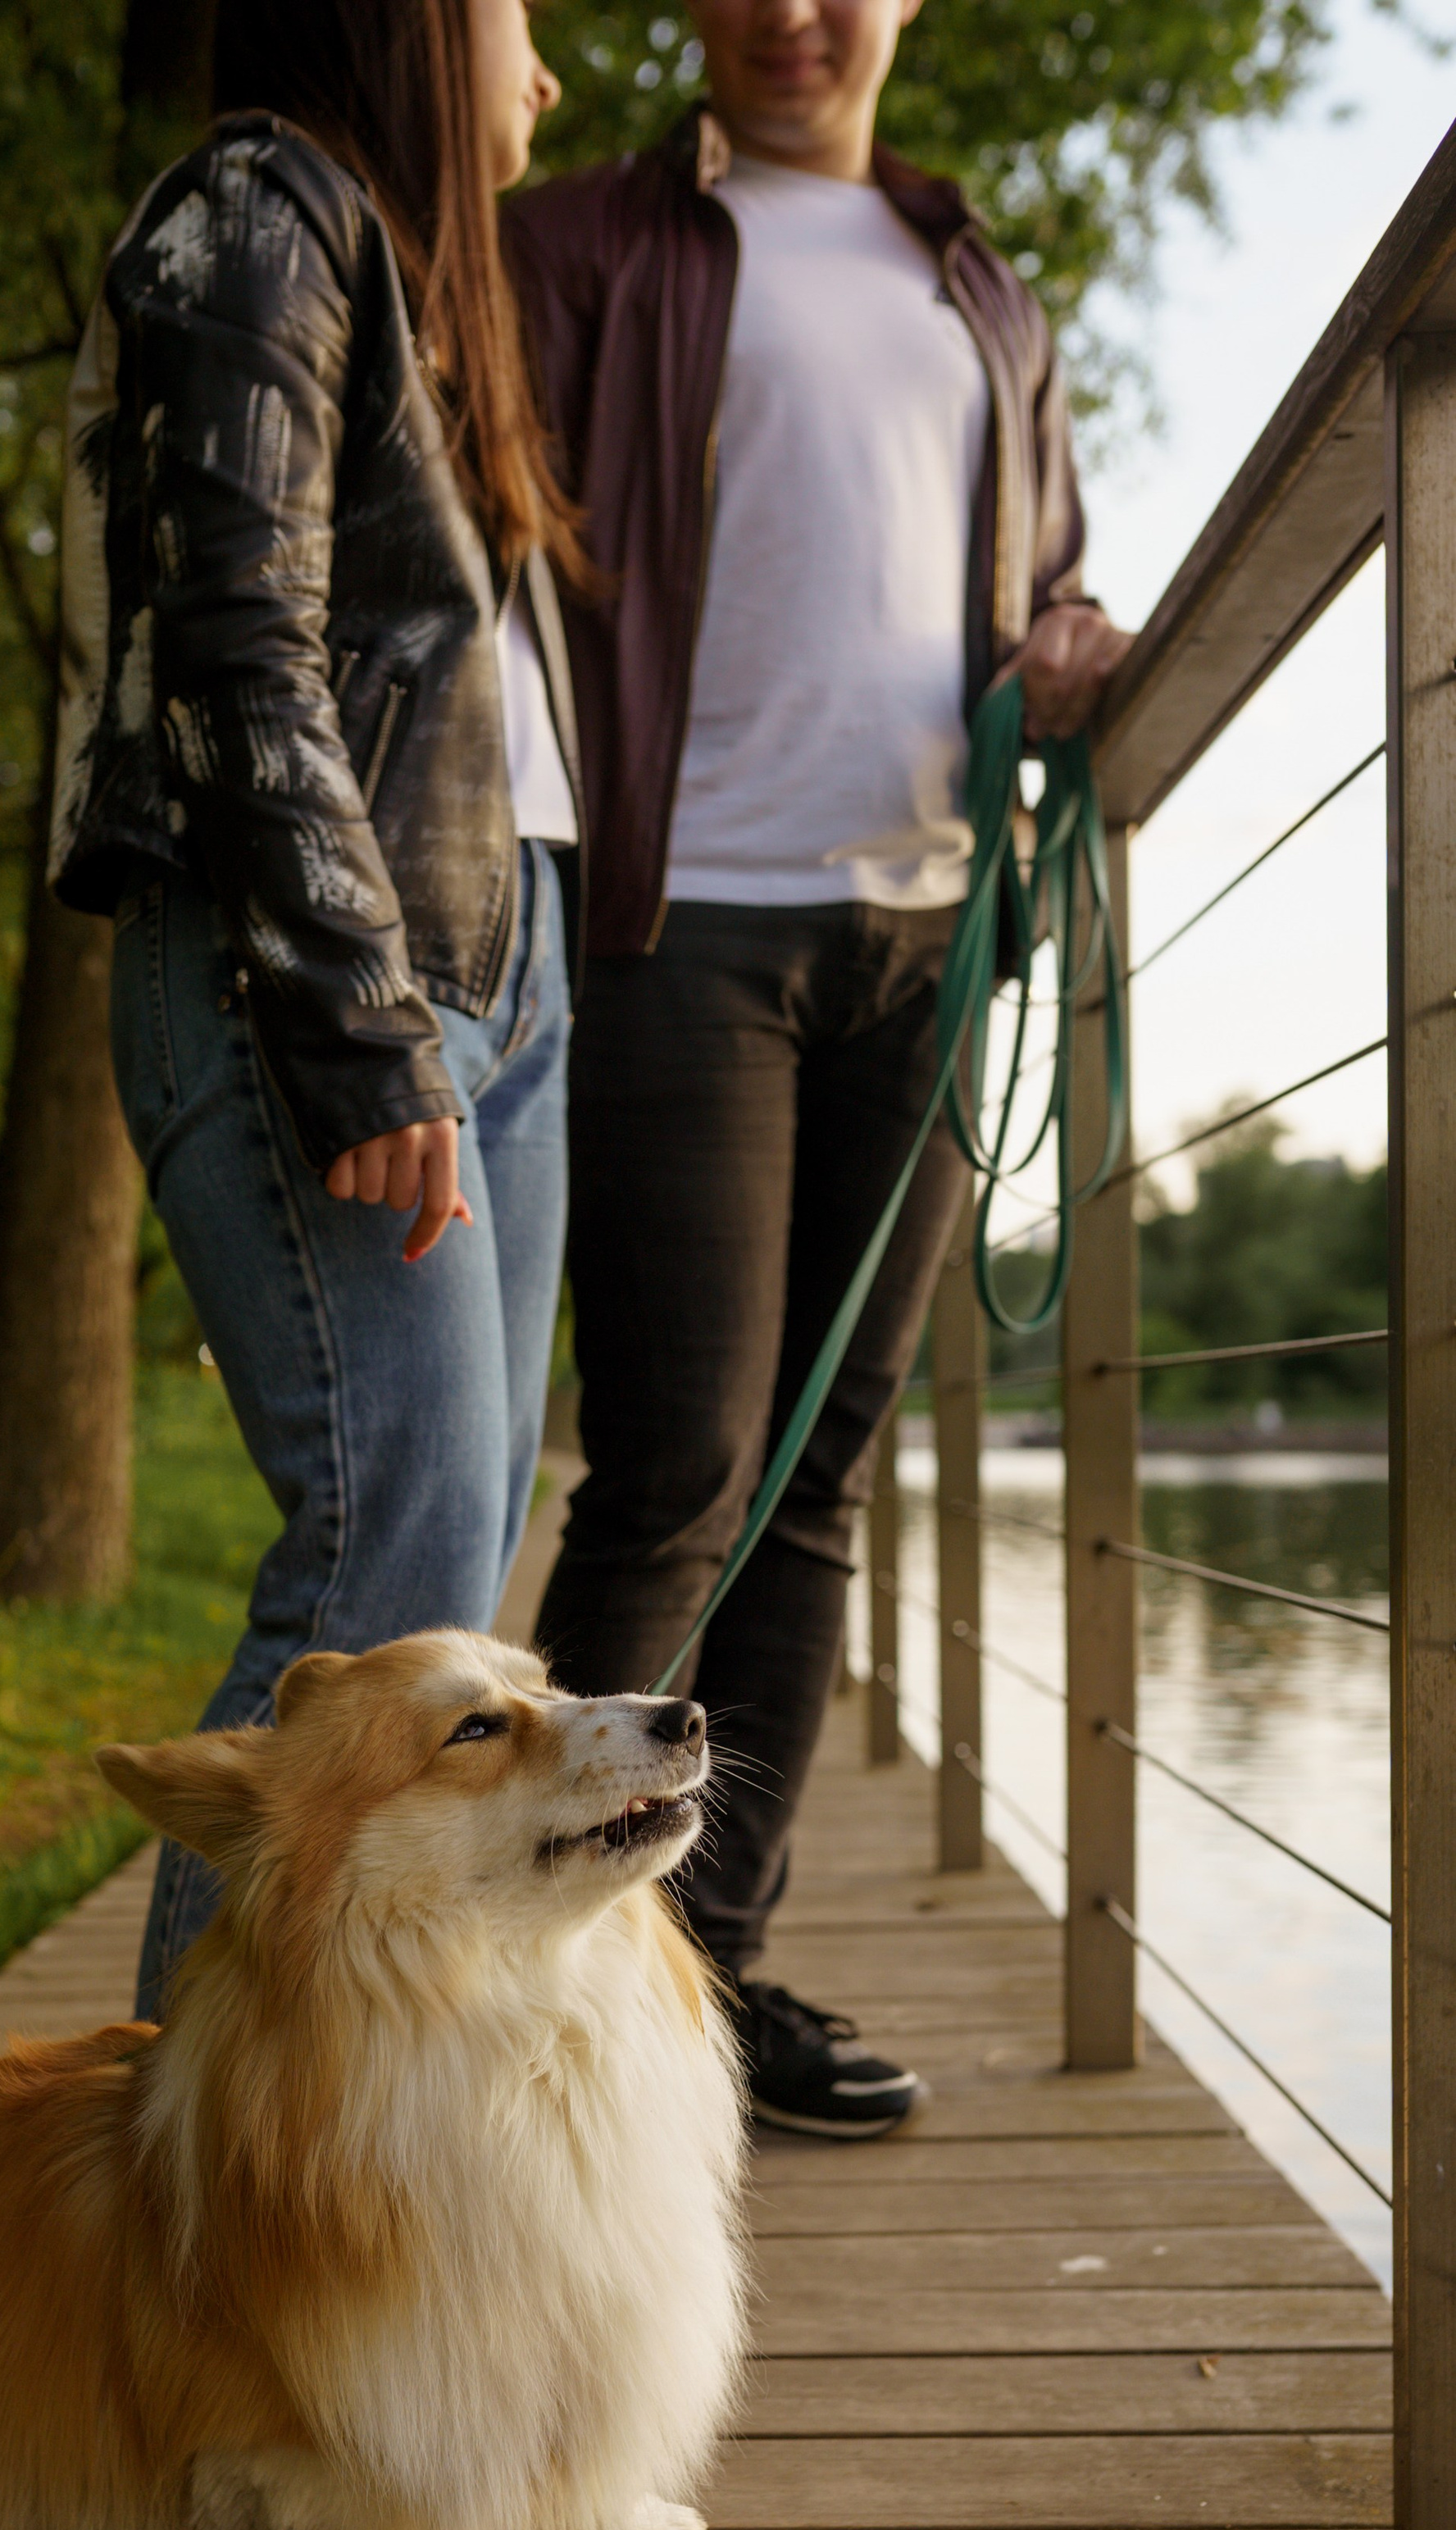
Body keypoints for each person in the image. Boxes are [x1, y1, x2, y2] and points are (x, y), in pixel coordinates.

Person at [503, 0, 1129, 2139]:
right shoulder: (588, 241)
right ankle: (545, 1987)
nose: (792, 11)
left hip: (927, 940)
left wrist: (1069, 636)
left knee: (822, 1483)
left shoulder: (977, 284)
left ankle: (711, 1979)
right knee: (683, 1471)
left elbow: (1042, 579)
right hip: (685, 927)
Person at [52, 0, 585, 2015]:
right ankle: (169, 2199)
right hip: (330, 967)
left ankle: (262, 2169)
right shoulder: (260, 201)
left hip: (473, 957)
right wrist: (358, 1025)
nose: (549, 79)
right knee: (392, 1563)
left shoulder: (400, 279)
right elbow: (234, 639)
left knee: (440, 1557)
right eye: (526, 22)